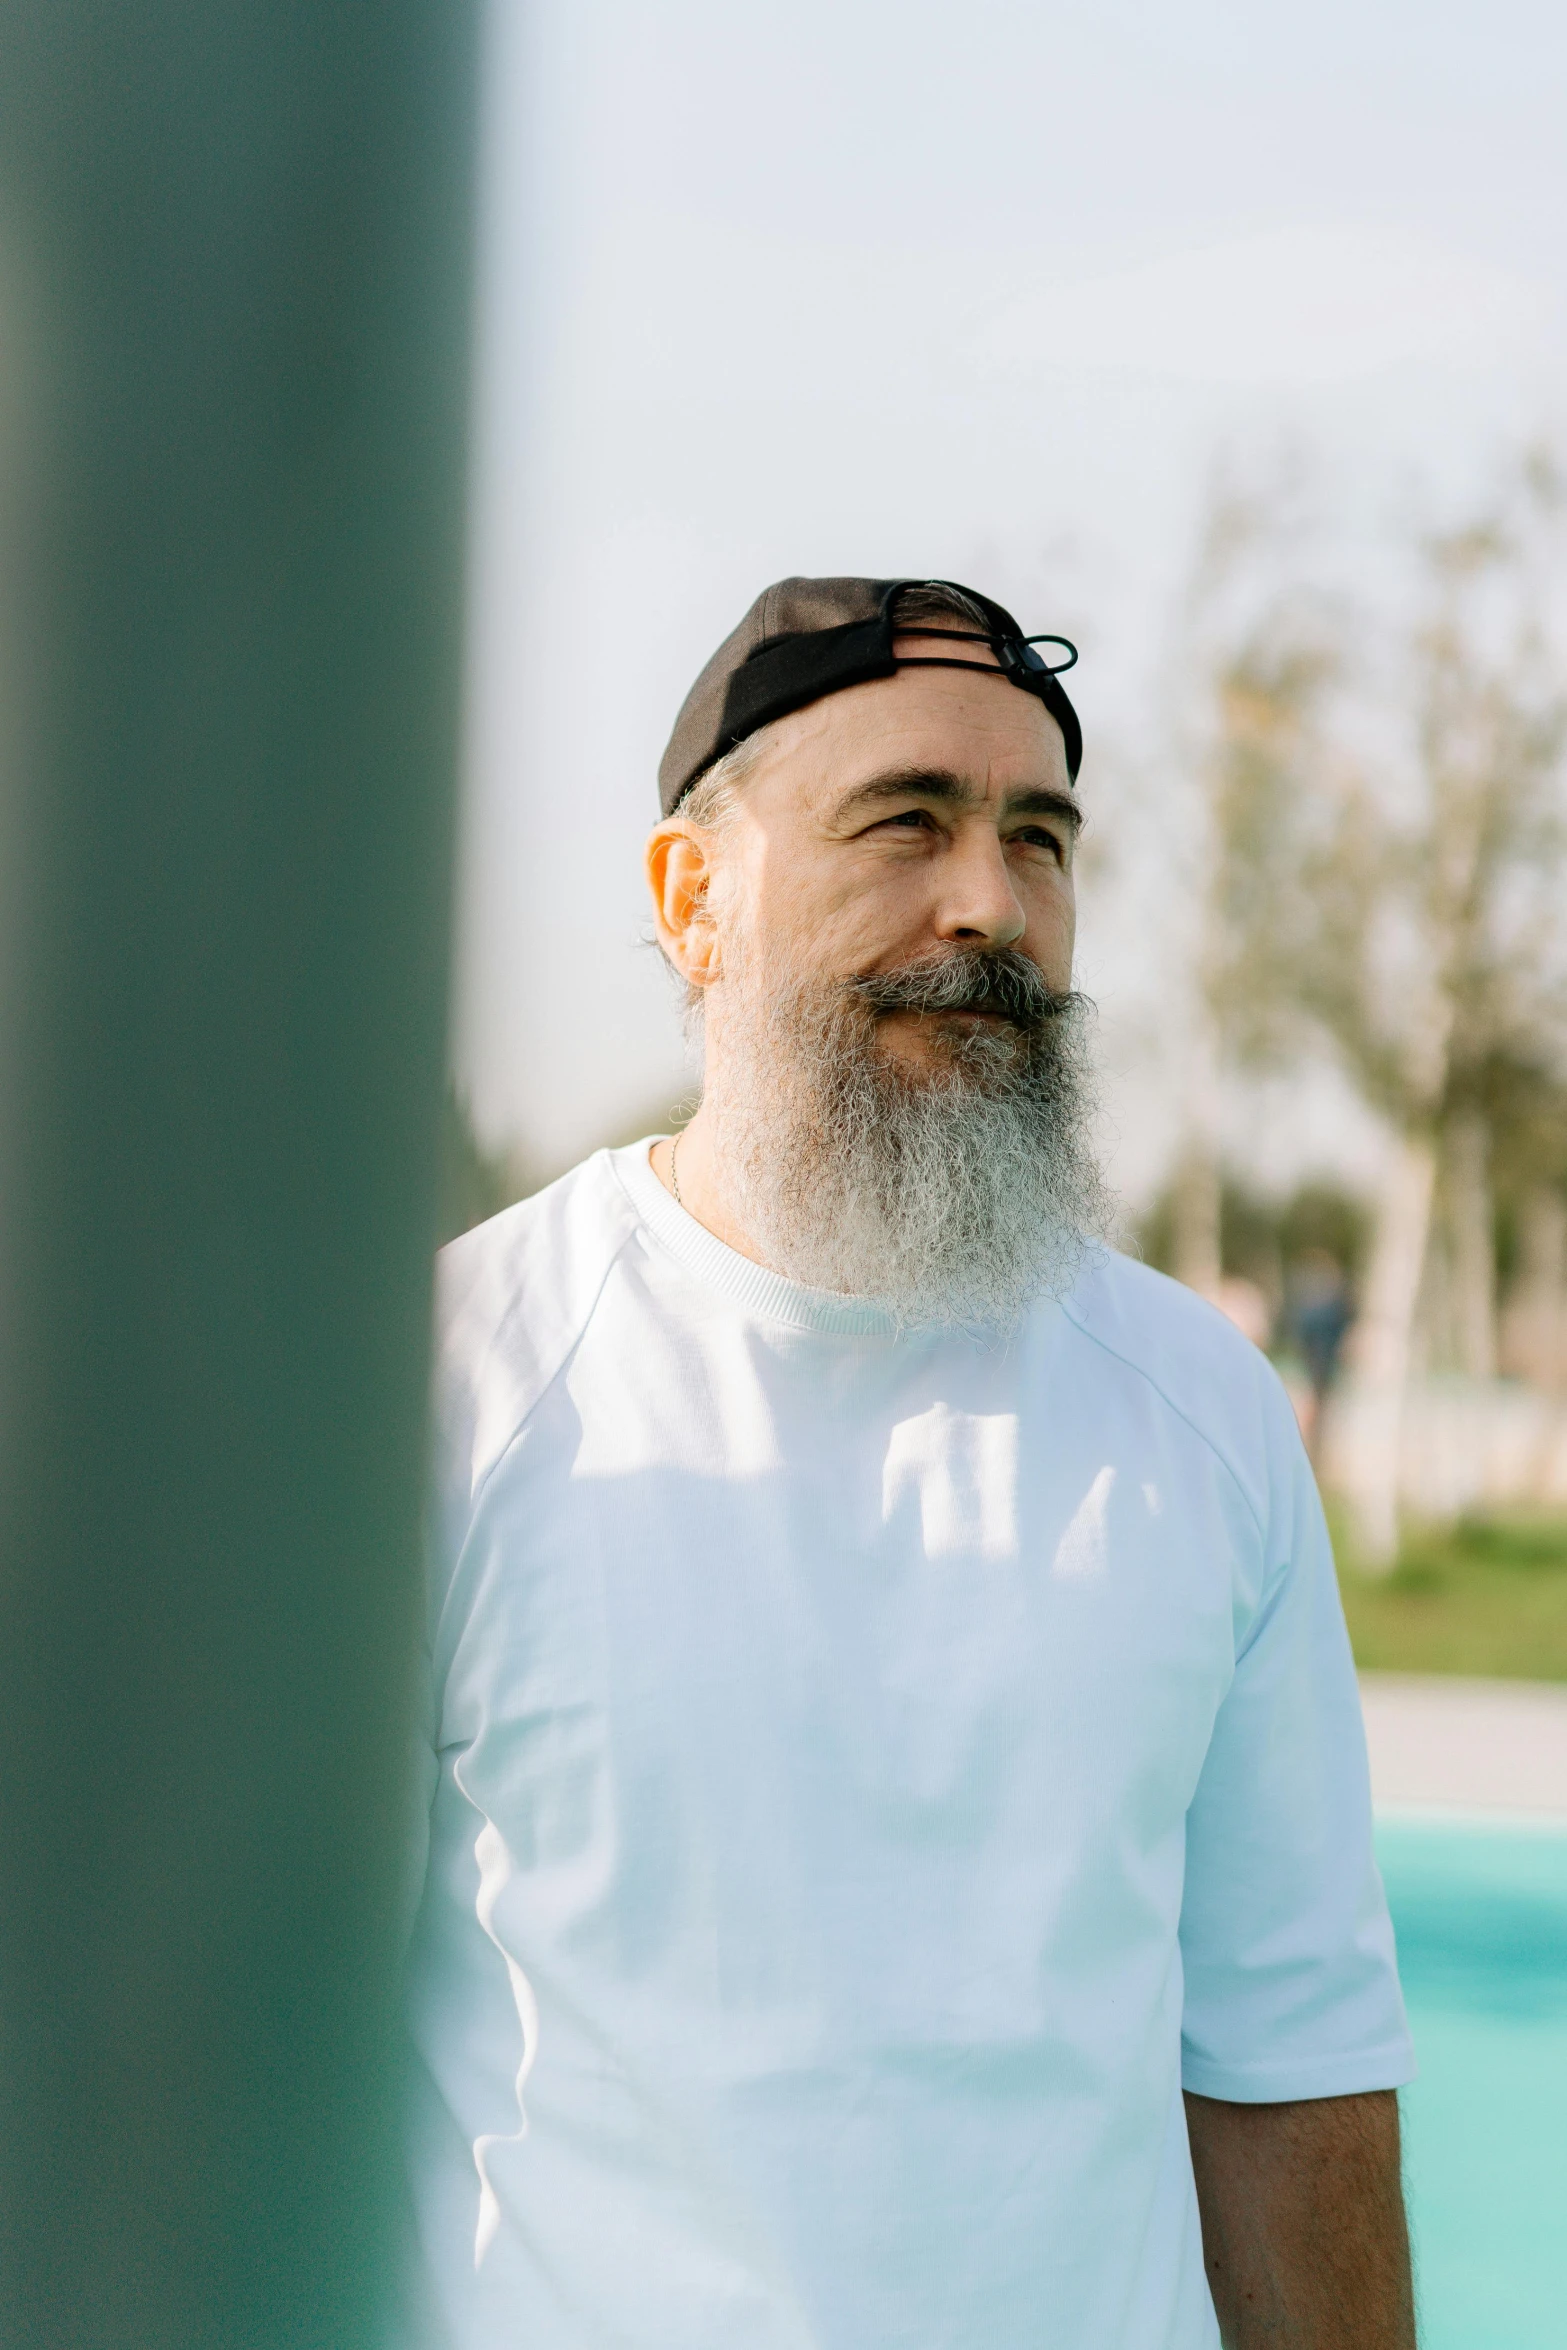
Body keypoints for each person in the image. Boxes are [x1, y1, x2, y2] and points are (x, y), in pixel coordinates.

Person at [397, 578, 1416, 2350]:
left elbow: (1290, 2075)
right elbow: (231, 2062)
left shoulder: (1200, 1410)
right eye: (906, 823)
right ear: (689, 898)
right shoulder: (459, 1381)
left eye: (1040, 838)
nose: (990, 904)